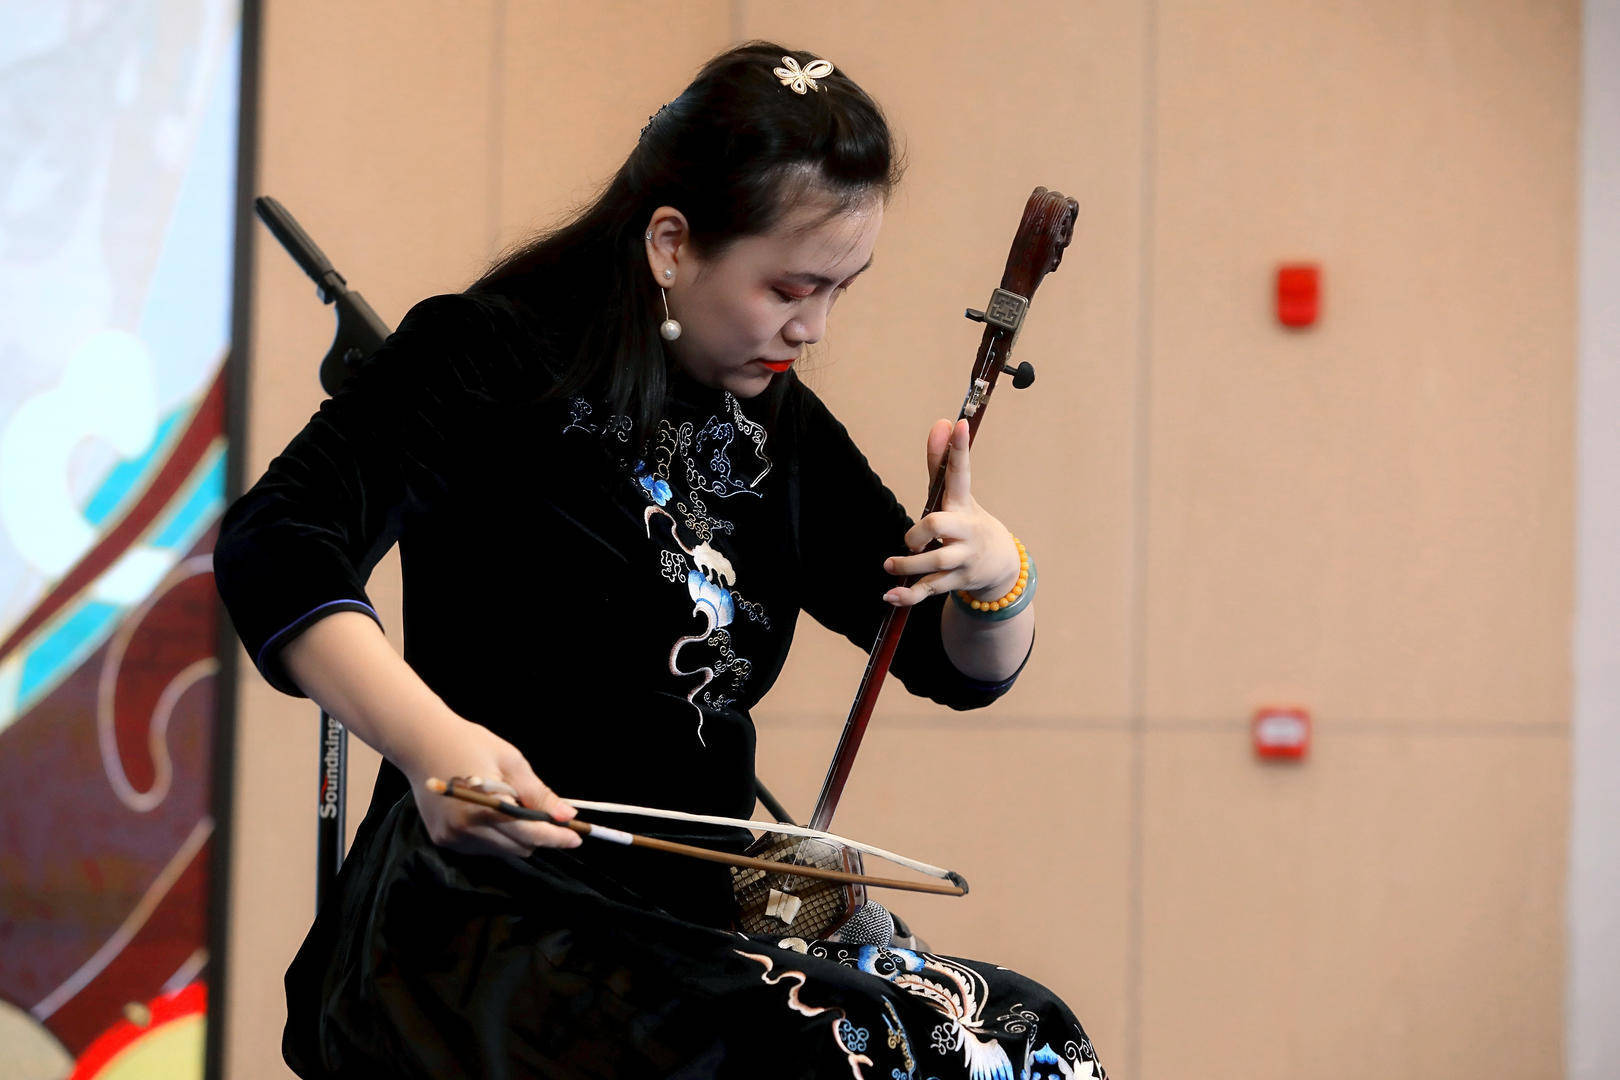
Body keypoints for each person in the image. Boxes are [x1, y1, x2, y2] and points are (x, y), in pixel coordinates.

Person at [214, 40, 1106, 1080]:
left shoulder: (779, 428)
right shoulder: (488, 356)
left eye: (838, 292)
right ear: (673, 244)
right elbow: (279, 540)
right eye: (789, 287)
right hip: (493, 924)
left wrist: (994, 578)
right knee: (859, 1058)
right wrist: (432, 744)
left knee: (1023, 1038)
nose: (810, 328)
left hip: (687, 938)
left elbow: (949, 664)